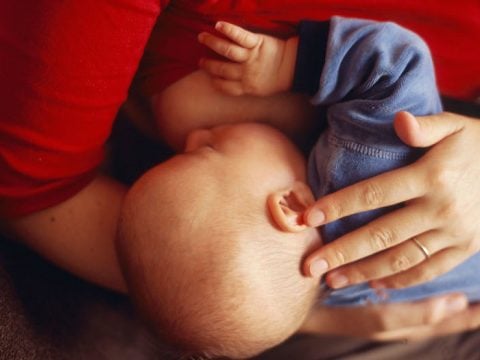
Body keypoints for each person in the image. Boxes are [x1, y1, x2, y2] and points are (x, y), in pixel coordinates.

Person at [0, 1, 479, 358]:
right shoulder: (365, 160)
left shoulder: (332, 286)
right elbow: (393, 60)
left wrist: (309, 317)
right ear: (291, 205)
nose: (194, 138)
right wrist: (289, 64)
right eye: (205, 150)